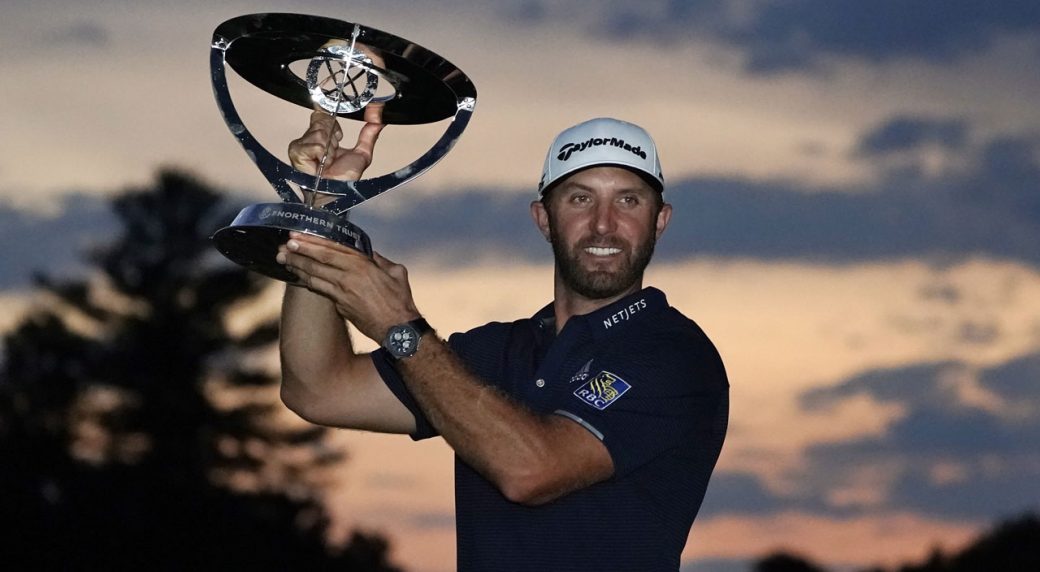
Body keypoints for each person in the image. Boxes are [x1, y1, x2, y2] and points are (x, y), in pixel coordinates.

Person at [276, 110, 729, 571]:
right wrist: (323, 211)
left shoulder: (676, 354)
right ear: (544, 219)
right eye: (580, 199)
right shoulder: (494, 351)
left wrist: (399, 327)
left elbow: (531, 471)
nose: (602, 224)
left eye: (628, 201)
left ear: (659, 221)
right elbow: (318, 389)